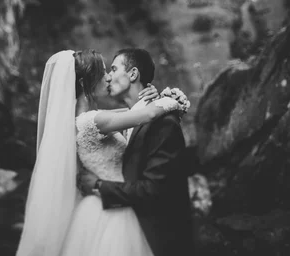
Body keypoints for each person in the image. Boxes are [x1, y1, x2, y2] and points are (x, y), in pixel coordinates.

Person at [15, 49, 188, 256]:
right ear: (85, 82)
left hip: (109, 206)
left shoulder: (84, 119)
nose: (108, 77)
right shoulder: (93, 120)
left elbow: (135, 114)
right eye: (105, 72)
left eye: (112, 70)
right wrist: (173, 101)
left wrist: (156, 96)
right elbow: (148, 114)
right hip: (110, 210)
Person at [80, 47, 194, 255]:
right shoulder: (118, 120)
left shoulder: (164, 123)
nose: (108, 77)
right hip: (122, 227)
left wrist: (98, 186)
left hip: (157, 238)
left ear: (133, 74)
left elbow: (155, 189)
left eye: (113, 69)